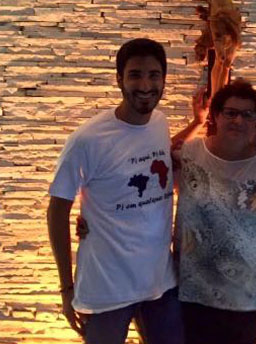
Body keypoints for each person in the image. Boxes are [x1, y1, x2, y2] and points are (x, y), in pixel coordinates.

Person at [46, 38, 184, 344]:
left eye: (154, 75)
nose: (145, 85)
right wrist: (66, 288)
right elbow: (57, 210)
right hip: (106, 289)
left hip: (160, 283)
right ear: (119, 79)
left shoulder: (160, 123)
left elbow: (158, 161)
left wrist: (198, 125)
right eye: (135, 75)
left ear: (164, 80)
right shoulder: (87, 140)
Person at [172, 80, 256, 344]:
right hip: (193, 290)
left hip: (247, 296)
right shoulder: (190, 154)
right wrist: (196, 123)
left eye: (247, 115)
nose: (238, 120)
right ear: (216, 115)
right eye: (230, 113)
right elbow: (153, 162)